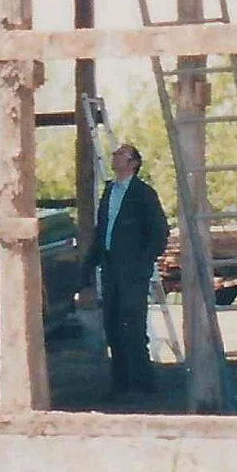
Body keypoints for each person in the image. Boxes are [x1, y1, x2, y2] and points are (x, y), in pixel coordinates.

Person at [81, 142, 169, 397]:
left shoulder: (143, 194)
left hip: (133, 272)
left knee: (133, 325)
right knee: (112, 324)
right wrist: (89, 266)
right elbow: (102, 231)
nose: (115, 157)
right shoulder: (109, 191)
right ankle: (120, 384)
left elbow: (159, 232)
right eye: (115, 153)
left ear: (133, 163)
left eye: (121, 154)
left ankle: (143, 383)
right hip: (110, 268)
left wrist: (143, 262)